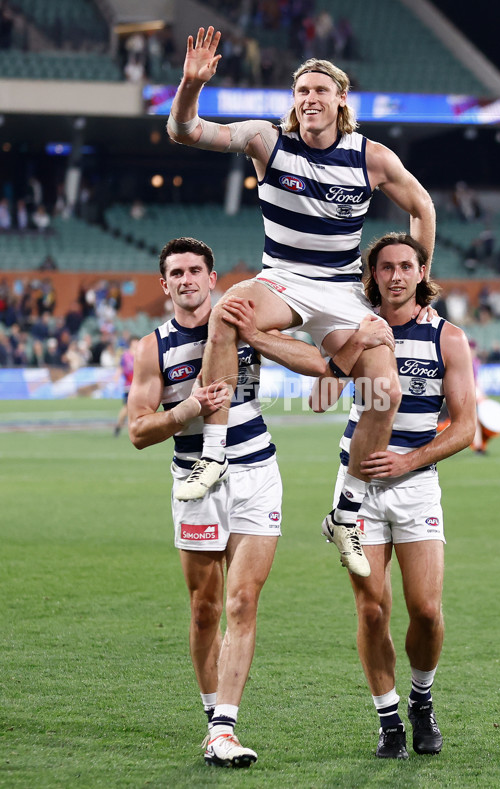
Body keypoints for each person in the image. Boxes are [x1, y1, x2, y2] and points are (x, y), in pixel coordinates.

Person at [166, 27, 436, 578]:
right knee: (228, 312)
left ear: (341, 99)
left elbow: (423, 209)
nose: (309, 99)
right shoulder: (267, 141)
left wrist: (417, 284)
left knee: (385, 381)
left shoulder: (372, 157)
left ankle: (347, 511)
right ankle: (214, 455)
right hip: (283, 279)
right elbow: (184, 130)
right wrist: (190, 86)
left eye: (319, 90)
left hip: (342, 288)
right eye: (300, 91)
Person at [126, 236, 391, 768]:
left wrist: (358, 339)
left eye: (195, 271)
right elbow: (137, 430)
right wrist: (186, 412)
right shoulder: (151, 347)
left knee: (242, 602)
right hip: (193, 480)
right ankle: (211, 721)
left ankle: (225, 728)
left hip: (256, 474)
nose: (186, 281)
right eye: (176, 274)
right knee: (204, 610)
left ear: (212, 276)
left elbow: (321, 368)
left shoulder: (247, 317)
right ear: (164, 285)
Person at [310, 232, 477, 759]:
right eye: (387, 268)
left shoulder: (447, 338)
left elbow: (465, 427)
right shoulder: (350, 330)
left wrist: (409, 459)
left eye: (407, 266)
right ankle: (389, 722)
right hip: (357, 488)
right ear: (373, 275)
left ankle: (421, 700)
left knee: (426, 610)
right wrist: (358, 340)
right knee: (372, 612)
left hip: (415, 485)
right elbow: (318, 399)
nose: (397, 276)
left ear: (422, 271)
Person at [114, 337, 138, 436]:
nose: (137, 343)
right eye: (135, 341)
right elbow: (121, 368)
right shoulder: (126, 355)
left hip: (139, 385)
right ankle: (118, 426)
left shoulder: (141, 354)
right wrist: (116, 378)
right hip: (129, 386)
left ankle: (136, 429)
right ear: (131, 343)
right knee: (126, 407)